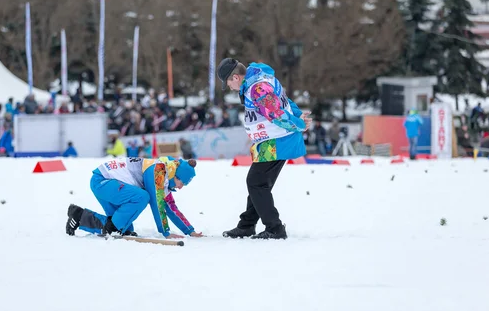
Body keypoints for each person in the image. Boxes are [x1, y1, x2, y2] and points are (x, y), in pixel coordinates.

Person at [217, 58, 311, 240]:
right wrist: (298, 115)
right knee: (259, 184)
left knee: (256, 182)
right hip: (269, 142)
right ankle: (246, 225)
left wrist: (299, 123)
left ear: (235, 77)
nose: (229, 87)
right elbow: (285, 101)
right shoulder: (260, 81)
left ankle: (274, 228)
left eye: (228, 82)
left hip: (277, 141)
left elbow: (276, 113)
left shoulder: (257, 88)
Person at [66, 156, 203, 239]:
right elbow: (157, 203)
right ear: (176, 176)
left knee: (123, 228)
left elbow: (171, 208)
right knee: (143, 197)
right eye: (182, 183)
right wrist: (165, 232)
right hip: (103, 181)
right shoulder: (158, 171)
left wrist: (189, 231)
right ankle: (112, 227)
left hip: (110, 184)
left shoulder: (166, 176)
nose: (181, 187)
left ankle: (79, 216)